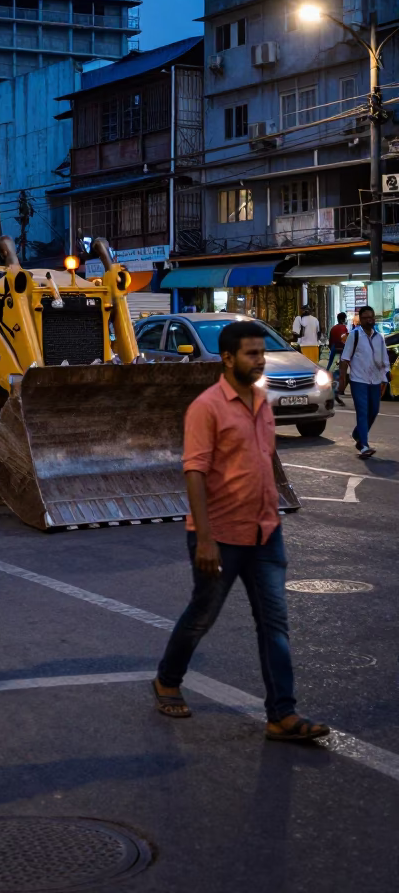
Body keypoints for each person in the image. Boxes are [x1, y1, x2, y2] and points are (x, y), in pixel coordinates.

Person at [152, 320, 330, 742]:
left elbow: (265, 458)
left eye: (261, 352)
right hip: (220, 535)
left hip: (265, 531)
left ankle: (281, 715)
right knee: (202, 616)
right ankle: (167, 679)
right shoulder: (207, 407)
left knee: (274, 623)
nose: (259, 360)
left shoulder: (262, 400)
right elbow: (194, 472)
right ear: (228, 359)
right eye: (251, 353)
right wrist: (206, 537)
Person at [338, 305, 388, 459]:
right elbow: (344, 359)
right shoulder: (355, 335)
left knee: (373, 411)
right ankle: (364, 445)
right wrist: (341, 380)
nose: (369, 320)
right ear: (360, 320)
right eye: (366, 318)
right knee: (363, 411)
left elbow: (384, 360)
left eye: (371, 317)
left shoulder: (379, 337)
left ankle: (357, 433)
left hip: (375, 380)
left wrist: (384, 379)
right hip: (358, 380)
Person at [327, 312, 349, 405]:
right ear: (344, 319)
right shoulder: (344, 328)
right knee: (340, 373)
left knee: (330, 371)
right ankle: (336, 391)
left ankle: (330, 390)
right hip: (341, 352)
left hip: (333, 351)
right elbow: (345, 341)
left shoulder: (333, 328)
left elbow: (330, 342)